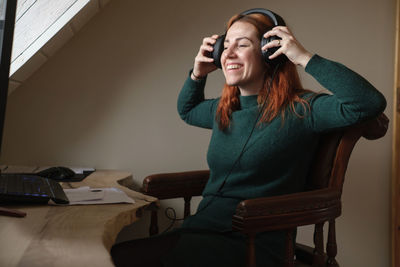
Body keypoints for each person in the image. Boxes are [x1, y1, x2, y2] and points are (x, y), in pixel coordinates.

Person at [111, 9, 386, 267]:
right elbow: (187, 110)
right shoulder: (226, 110)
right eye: (224, 45)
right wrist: (197, 73)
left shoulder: (303, 109)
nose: (228, 53)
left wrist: (302, 56)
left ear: (271, 53)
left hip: (252, 240)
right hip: (201, 231)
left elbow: (368, 102)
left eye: (241, 44)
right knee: (113, 255)